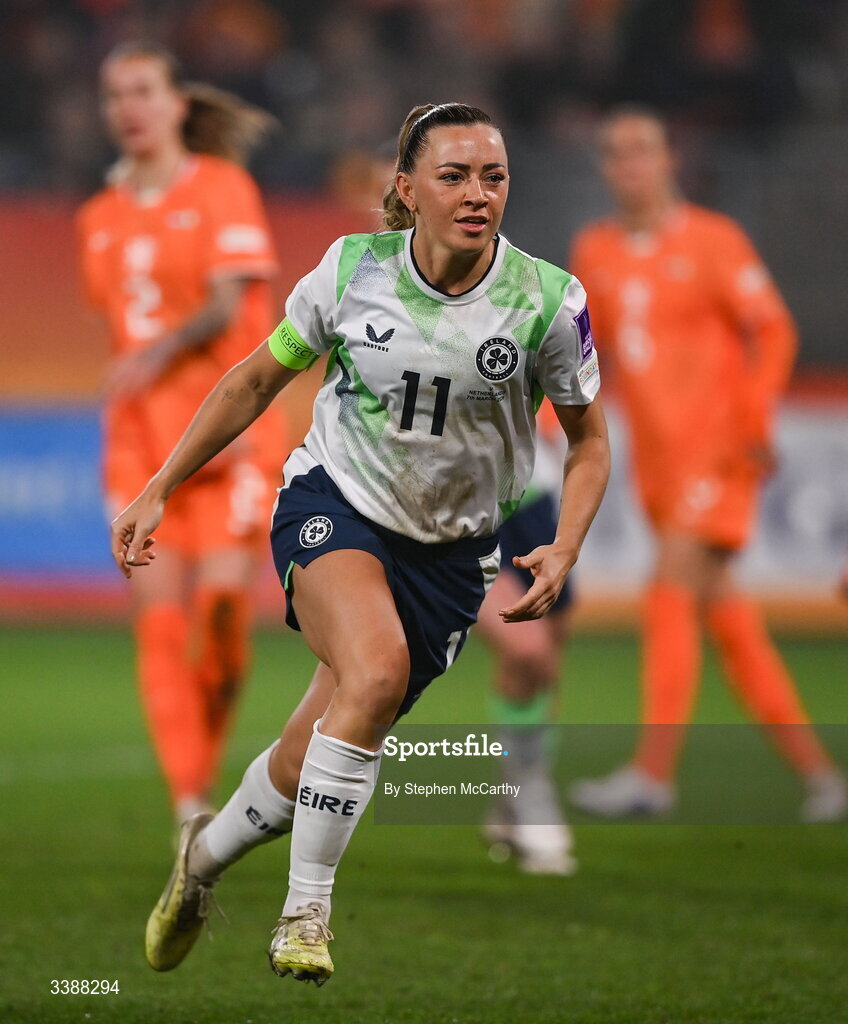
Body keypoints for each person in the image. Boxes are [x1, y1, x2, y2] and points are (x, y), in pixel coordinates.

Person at [110, 101, 610, 985]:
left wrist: (565, 545)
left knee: (313, 753)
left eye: (492, 176)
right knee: (374, 672)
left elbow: (590, 440)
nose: (476, 193)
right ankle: (306, 914)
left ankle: (202, 859)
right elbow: (257, 377)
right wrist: (161, 484)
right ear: (407, 190)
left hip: (452, 558)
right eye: (453, 176)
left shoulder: (546, 302)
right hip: (333, 504)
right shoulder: (351, 270)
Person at [567, 106, 847, 823]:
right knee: (727, 617)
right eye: (616, 152)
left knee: (667, 590)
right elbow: (577, 351)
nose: (629, 163)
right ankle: (822, 776)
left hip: (718, 452)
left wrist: (753, 417)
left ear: (668, 161)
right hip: (656, 466)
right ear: (607, 168)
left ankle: (651, 776)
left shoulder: (714, 241)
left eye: (642, 150)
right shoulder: (595, 248)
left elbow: (774, 328)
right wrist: (546, 411)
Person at [78, 42, 287, 824]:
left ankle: (197, 777)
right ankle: (192, 803)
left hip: (228, 437)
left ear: (175, 105)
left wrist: (159, 351)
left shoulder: (224, 188)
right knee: (161, 622)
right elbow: (119, 328)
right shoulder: (95, 219)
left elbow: (229, 304)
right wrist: (141, 369)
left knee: (225, 624)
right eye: (113, 95)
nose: (126, 107)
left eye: (141, 91)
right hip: (140, 443)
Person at [477, 400, 577, 875]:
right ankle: (532, 799)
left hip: (538, 503)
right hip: (467, 504)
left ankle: (511, 800)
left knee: (544, 666)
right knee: (528, 649)